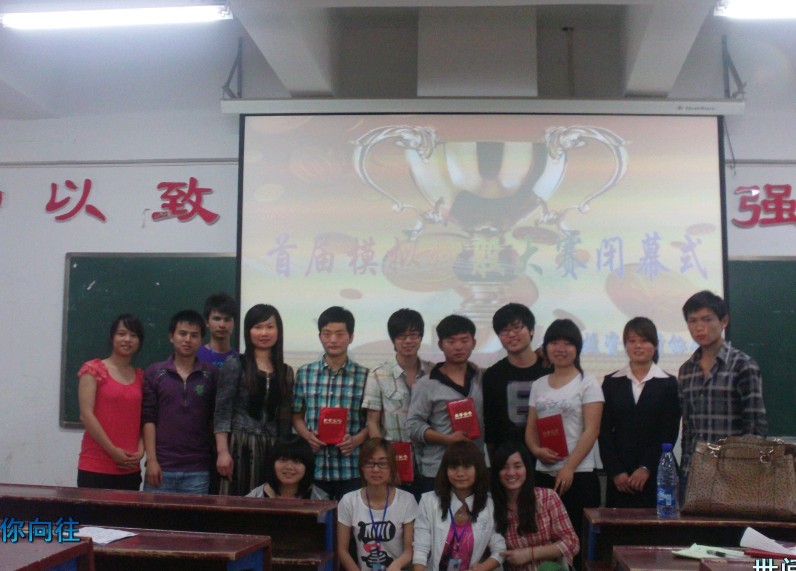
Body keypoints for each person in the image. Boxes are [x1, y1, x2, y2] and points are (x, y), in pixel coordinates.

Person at [524, 318, 603, 560]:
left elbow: (592, 430)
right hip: (543, 474)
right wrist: (536, 450)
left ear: (577, 348)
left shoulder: (588, 383)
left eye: (567, 343)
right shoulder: (539, 384)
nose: (560, 349)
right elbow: (530, 428)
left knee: (578, 543)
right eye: (554, 343)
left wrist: (569, 467)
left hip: (578, 475)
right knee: (544, 541)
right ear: (546, 347)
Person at [678, 290, 767, 479]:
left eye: (707, 319)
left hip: (733, 474)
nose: (699, 327)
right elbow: (688, 427)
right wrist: (684, 472)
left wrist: (744, 471)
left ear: (724, 321)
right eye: (692, 321)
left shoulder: (743, 365)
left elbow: (755, 426)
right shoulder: (686, 370)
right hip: (695, 473)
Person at [599, 317, 680, 508]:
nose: (638, 346)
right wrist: (616, 471)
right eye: (632, 341)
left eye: (644, 340)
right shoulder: (611, 382)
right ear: (625, 345)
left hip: (657, 473)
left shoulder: (669, 383)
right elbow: (603, 431)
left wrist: (646, 467)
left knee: (658, 524)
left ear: (655, 344)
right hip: (620, 477)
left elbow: (669, 431)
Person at [215, 304, 295, 496]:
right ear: (248, 331)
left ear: (278, 331)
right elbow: (222, 412)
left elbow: (285, 419)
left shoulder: (286, 372)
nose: (264, 333)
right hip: (238, 446)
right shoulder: (235, 364)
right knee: (236, 504)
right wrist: (222, 452)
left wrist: (285, 456)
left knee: (267, 503)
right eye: (257, 327)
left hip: (272, 449)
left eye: (269, 327)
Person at [293, 306, 370, 500]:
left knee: (349, 518)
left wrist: (355, 440)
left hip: (350, 468)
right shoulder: (304, 373)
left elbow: (373, 422)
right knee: (314, 519)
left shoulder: (365, 376)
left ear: (351, 337)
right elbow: (296, 415)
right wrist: (307, 436)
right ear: (319, 336)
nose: (333, 340)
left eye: (340, 334)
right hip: (313, 466)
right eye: (327, 334)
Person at [142, 310, 219, 494]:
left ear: (201, 340)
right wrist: (151, 461)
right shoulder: (155, 373)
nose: (187, 340)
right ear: (171, 336)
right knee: (151, 515)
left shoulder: (211, 374)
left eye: (194, 335)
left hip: (198, 470)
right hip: (161, 468)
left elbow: (215, 419)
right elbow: (148, 419)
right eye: (182, 334)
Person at [407, 315, 485, 494]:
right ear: (440, 345)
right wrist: (447, 439)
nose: (458, 346)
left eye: (464, 340)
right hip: (438, 469)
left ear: (473, 343)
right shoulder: (426, 384)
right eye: (451, 341)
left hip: (474, 468)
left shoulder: (482, 377)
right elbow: (413, 426)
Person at [363, 309, 434, 499]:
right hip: (395, 460)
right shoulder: (378, 373)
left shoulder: (433, 372)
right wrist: (385, 462)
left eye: (414, 335)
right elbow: (373, 422)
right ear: (393, 340)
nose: (408, 341)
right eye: (402, 336)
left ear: (421, 337)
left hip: (429, 460)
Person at [77, 314, 145, 490]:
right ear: (112, 337)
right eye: (121, 334)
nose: (127, 339)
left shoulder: (141, 377)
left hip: (130, 467)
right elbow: (86, 415)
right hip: (95, 466)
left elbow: (143, 418)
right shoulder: (93, 370)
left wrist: (141, 449)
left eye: (133, 335)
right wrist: (113, 451)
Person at [412, 440, 505, 571]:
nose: (460, 473)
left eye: (466, 466)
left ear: (478, 469)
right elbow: (420, 550)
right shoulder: (428, 501)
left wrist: (482, 568)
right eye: (453, 467)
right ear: (445, 470)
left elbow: (500, 550)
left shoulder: (490, 505)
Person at [491, 441, 578, 571]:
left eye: (517, 466)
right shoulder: (491, 506)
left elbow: (572, 543)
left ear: (527, 468)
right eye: (504, 467)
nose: (511, 472)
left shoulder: (548, 497)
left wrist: (530, 554)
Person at [483, 303, 552, 458]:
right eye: (504, 331)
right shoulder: (493, 375)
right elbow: (491, 427)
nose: (511, 335)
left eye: (517, 328)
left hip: (548, 455)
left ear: (531, 330)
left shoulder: (549, 369)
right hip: (510, 461)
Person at [338, 438, 418, 571]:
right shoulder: (348, 501)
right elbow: (342, 550)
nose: (375, 469)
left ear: (392, 467)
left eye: (383, 463)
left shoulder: (407, 500)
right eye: (369, 463)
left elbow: (409, 551)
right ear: (361, 467)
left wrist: (396, 565)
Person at [246, 435, 315, 499]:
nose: (289, 467)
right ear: (272, 463)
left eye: (297, 461)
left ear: (307, 466)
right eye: (283, 459)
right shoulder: (253, 498)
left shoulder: (319, 499)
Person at [197, 292, 239, 369]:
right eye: (217, 319)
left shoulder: (239, 360)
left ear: (234, 323)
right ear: (207, 322)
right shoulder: (196, 356)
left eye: (227, 319)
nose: (222, 325)